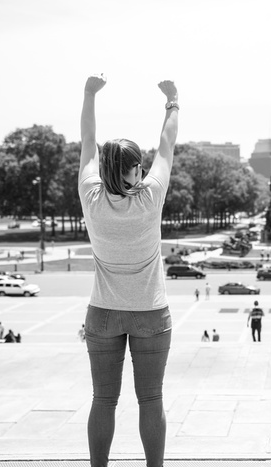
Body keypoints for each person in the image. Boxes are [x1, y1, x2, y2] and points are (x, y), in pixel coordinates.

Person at [78, 73, 178, 467]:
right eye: (138, 165)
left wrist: (89, 94)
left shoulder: (91, 195)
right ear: (135, 170)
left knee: (103, 400)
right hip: (151, 312)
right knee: (151, 399)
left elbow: (88, 142)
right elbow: (167, 145)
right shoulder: (150, 197)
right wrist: (172, 100)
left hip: (102, 313)